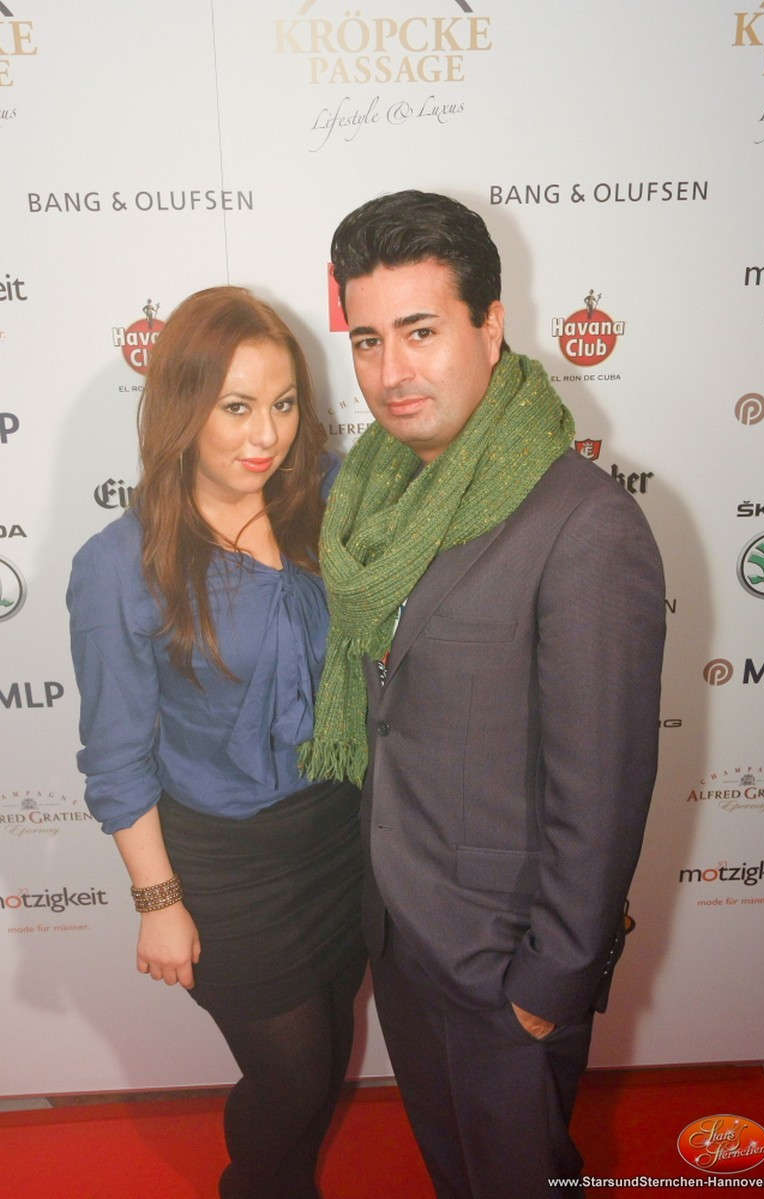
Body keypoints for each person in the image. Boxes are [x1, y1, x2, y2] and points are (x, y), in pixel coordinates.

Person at [300, 192, 666, 1198]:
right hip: (401, 937)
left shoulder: (583, 526)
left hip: (504, 970)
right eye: (367, 340)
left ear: (491, 324)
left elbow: (601, 790)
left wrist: (547, 987)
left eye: (420, 331)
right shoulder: (374, 496)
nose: (390, 372)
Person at [67, 286, 365, 1199]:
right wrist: (159, 899)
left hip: (342, 833)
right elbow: (117, 757)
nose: (266, 434)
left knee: (330, 1051)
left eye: (283, 403)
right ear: (183, 408)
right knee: (293, 1073)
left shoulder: (331, 495)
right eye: (237, 406)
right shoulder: (121, 565)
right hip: (226, 864)